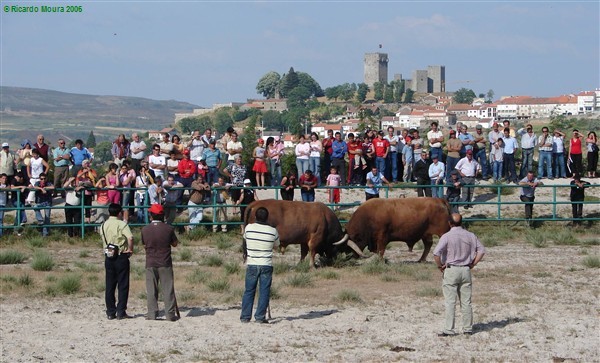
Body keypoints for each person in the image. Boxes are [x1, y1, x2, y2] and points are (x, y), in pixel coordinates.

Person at [433, 213, 485, 336]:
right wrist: (473, 264)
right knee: (466, 301)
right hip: (466, 269)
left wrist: (440, 266)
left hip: (451, 269)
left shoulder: (446, 236)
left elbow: (436, 254)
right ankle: (467, 328)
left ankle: (449, 329)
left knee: (450, 301)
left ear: (449, 223)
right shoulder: (470, 235)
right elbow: (481, 250)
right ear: (461, 222)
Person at [240, 206, 280, 324]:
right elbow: (277, 245)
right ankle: (260, 317)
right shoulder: (273, 231)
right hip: (266, 264)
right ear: (267, 217)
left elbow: (245, 239)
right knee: (264, 291)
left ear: (256, 216)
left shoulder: (249, 228)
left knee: (249, 290)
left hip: (252, 263)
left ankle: (245, 316)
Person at [141, 203, 179, 321]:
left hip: (151, 261)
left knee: (151, 289)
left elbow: (144, 244)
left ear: (151, 216)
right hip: (165, 261)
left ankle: (152, 313)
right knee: (167, 288)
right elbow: (175, 243)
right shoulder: (169, 229)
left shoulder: (145, 229)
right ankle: (170, 314)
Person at [101, 203, 134, 320]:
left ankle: (110, 311)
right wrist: (130, 249)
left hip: (109, 255)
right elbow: (130, 237)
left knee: (110, 285)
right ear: (119, 213)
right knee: (123, 284)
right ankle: (121, 311)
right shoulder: (121, 224)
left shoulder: (103, 224)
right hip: (121, 255)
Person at [31, 173, 54, 237]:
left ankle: (45, 233)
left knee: (47, 218)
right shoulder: (37, 183)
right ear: (39, 179)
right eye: (41, 179)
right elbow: (34, 187)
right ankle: (40, 220)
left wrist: (45, 188)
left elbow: (53, 187)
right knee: (35, 207)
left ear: (46, 178)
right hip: (39, 202)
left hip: (47, 202)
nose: (43, 180)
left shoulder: (48, 183)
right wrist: (41, 189)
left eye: (44, 178)